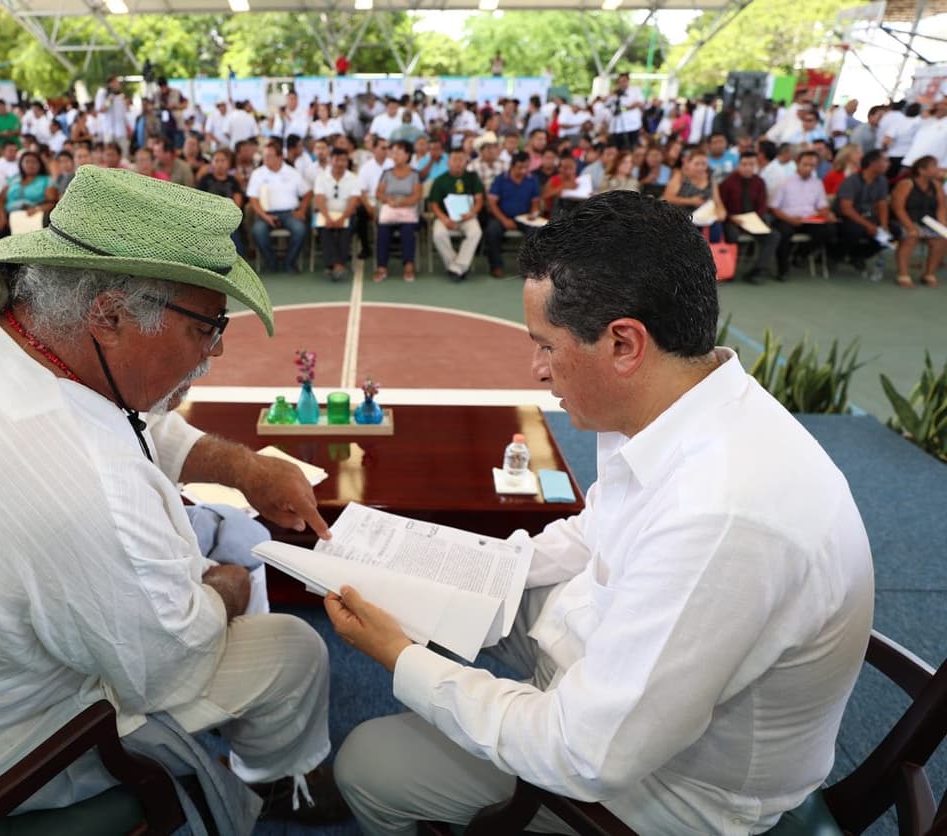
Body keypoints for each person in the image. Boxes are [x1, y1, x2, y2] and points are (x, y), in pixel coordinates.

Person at [326, 190, 874, 836]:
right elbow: (594, 535)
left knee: (366, 761)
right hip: (632, 676)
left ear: (623, 344)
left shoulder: (724, 515)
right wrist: (463, 567)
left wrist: (402, 659)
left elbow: (583, 754)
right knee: (459, 601)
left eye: (546, 346)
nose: (537, 369)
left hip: (678, 788)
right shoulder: (681, 409)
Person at [0, 167, 350, 833]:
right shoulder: (80, 485)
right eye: (207, 325)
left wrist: (244, 468)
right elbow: (163, 668)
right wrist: (221, 587)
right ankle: (282, 782)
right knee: (295, 649)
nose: (217, 348)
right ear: (109, 315)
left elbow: (115, 411)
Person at [769, 150, 837, 280]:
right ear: (797, 163)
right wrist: (790, 219)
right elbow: (773, 208)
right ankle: (783, 269)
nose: (808, 168)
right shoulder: (784, 182)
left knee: (829, 230)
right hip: (787, 218)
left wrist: (826, 213)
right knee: (784, 233)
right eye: (805, 164)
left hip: (809, 220)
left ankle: (801, 253)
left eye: (812, 165)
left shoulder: (817, 183)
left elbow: (822, 205)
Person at [247, 138, 310, 273]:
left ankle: (289, 262)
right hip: (266, 214)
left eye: (269, 156)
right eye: (264, 156)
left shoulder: (292, 172)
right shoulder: (258, 174)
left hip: (289, 213)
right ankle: (271, 262)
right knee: (258, 231)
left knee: (300, 230)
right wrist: (265, 216)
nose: (266, 159)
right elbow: (253, 199)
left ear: (280, 156)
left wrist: (302, 211)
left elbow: (307, 193)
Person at [718, 154, 781, 283]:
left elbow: (762, 205)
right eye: (744, 164)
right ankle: (729, 271)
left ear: (755, 166)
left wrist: (754, 218)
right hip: (733, 221)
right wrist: (731, 218)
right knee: (732, 235)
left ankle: (757, 270)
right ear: (738, 166)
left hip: (753, 221)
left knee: (773, 236)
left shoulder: (759, 182)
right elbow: (721, 206)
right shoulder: (728, 182)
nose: (747, 168)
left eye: (751, 165)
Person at [428, 148, 484, 282]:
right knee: (438, 234)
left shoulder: (472, 177)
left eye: (461, 159)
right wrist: (444, 219)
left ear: (466, 162)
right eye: (454, 159)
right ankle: (459, 266)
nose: (458, 163)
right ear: (448, 162)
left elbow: (479, 199)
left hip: (467, 216)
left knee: (475, 232)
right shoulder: (440, 180)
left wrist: (471, 213)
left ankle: (456, 267)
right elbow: (433, 205)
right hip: (445, 217)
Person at [890, 154, 946, 288]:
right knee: (911, 236)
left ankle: (929, 274)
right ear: (922, 170)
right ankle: (903, 274)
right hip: (906, 219)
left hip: (929, 221)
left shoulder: (937, 186)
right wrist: (910, 226)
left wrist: (942, 224)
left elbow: (941, 206)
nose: (938, 169)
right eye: (934, 166)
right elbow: (898, 208)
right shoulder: (906, 184)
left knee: (941, 238)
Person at [835, 149, 891, 280]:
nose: (888, 164)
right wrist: (868, 225)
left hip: (871, 217)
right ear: (873, 163)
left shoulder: (882, 181)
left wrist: (883, 225)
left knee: (892, 232)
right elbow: (846, 209)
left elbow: (882, 204)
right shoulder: (852, 181)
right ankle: (837, 254)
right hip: (849, 218)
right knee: (854, 230)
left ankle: (859, 255)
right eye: (885, 161)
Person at [484, 151, 541, 278]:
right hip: (502, 216)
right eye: (520, 167)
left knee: (536, 232)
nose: (523, 171)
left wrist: (534, 213)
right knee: (492, 231)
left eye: (526, 167)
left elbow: (535, 203)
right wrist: (504, 220)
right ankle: (496, 266)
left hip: (524, 217)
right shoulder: (501, 179)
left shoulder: (532, 180)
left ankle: (528, 268)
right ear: (512, 166)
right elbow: (492, 203)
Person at [373, 139, 421, 283]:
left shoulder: (415, 174)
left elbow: (416, 196)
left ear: (408, 155)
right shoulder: (386, 173)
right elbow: (379, 193)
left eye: (399, 152)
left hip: (408, 213)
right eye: (393, 152)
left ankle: (408, 267)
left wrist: (400, 202)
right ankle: (382, 268)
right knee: (383, 231)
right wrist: (389, 200)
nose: (395, 155)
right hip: (390, 212)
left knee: (407, 231)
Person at [312, 146, 361, 282]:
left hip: (346, 214)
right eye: (337, 160)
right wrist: (328, 217)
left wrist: (342, 218)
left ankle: (333, 265)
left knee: (346, 231)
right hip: (324, 213)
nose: (340, 163)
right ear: (330, 161)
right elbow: (319, 200)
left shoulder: (353, 178)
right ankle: (338, 265)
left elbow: (353, 202)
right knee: (325, 230)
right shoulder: (321, 178)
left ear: (347, 162)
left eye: (344, 160)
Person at [664, 149, 727, 241]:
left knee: (716, 228)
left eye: (703, 164)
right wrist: (690, 201)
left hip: (705, 217)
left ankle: (713, 252)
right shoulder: (680, 176)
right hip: (682, 218)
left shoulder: (710, 178)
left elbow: (717, 200)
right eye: (697, 164)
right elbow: (668, 197)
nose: (700, 167)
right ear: (689, 163)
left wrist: (722, 211)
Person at [0, 150, 58, 236]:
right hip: (9, 216)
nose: (30, 165)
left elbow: (52, 202)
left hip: (34, 214)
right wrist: (2, 218)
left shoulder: (46, 180)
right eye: (27, 162)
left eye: (34, 162)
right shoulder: (13, 180)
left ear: (40, 165)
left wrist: (37, 209)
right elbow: (1, 200)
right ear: (21, 164)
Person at [197, 148, 246, 256]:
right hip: (209, 215)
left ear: (229, 163)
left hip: (229, 216)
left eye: (223, 161)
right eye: (216, 160)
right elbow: (199, 199)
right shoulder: (205, 179)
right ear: (212, 163)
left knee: (234, 233)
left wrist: (229, 214)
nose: (220, 164)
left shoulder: (233, 181)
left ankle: (238, 258)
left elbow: (238, 202)